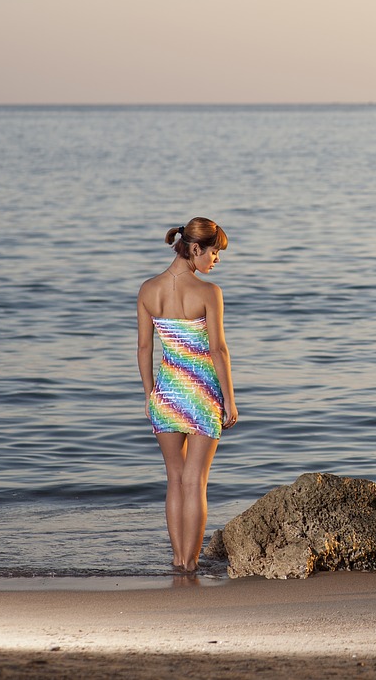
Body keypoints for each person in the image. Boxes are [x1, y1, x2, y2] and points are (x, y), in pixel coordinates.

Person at [137, 217, 238, 573]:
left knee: (174, 479)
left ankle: (177, 559)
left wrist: (151, 395)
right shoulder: (209, 293)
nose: (216, 260)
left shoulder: (148, 290)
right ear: (195, 249)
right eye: (214, 252)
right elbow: (219, 351)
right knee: (195, 482)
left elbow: (144, 348)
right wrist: (229, 399)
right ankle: (191, 565)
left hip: (165, 395)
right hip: (202, 396)